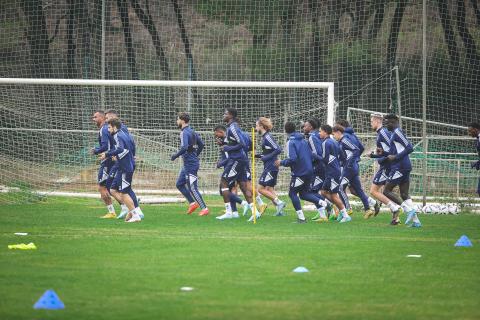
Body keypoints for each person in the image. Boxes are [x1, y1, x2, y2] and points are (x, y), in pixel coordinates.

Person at [274, 122, 328, 223]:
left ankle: (302, 218)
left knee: (292, 193)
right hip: (309, 171)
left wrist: (281, 162)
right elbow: (311, 154)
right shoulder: (303, 140)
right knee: (304, 194)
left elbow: (293, 159)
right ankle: (323, 204)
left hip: (300, 172)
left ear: (285, 130)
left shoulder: (291, 142)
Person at [216, 108, 257, 221]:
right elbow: (236, 143)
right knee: (243, 186)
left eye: (225, 113)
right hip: (240, 159)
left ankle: (229, 212)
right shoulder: (232, 127)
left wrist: (228, 147)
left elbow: (242, 144)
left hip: (237, 160)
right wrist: (224, 143)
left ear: (231, 116)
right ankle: (255, 212)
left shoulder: (233, 128)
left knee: (224, 182)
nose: (223, 115)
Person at [383, 114, 421, 227]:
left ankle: (408, 210)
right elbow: (395, 152)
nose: (387, 125)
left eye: (388, 122)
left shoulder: (398, 132)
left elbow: (410, 147)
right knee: (404, 194)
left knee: (386, 191)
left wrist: (395, 158)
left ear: (394, 122)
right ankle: (416, 222)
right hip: (404, 166)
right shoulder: (394, 133)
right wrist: (379, 154)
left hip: (400, 166)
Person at [104, 109, 143, 220]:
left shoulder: (118, 136)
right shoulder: (124, 134)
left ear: (114, 126)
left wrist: (107, 153)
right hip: (125, 166)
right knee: (119, 190)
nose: (108, 129)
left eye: (109, 127)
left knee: (124, 193)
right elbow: (128, 148)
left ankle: (135, 214)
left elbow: (121, 149)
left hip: (125, 167)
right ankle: (131, 213)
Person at [336, 119, 378, 215]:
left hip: (348, 166)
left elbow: (351, 150)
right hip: (355, 165)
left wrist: (349, 159)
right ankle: (369, 206)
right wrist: (356, 158)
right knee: (355, 190)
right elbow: (361, 148)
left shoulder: (344, 137)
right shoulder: (353, 135)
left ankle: (346, 209)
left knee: (340, 188)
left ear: (341, 127)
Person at [171, 112, 209, 216]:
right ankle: (192, 203)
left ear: (182, 121)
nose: (177, 121)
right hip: (188, 163)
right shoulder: (192, 131)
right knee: (179, 184)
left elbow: (184, 147)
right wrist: (195, 155)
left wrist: (175, 156)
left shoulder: (184, 132)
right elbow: (201, 145)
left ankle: (204, 208)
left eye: (178, 119)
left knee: (192, 187)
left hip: (190, 164)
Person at [367, 113, 401, 219]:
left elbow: (391, 148)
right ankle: (396, 217)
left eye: (372, 121)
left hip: (387, 166)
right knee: (386, 191)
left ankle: (395, 208)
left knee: (374, 191)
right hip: (387, 165)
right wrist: (374, 155)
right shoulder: (380, 133)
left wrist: (383, 158)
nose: (371, 124)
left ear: (377, 121)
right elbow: (384, 150)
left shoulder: (383, 133)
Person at [319, 124, 351, 223]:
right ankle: (340, 209)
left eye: (320, 131)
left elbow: (324, 159)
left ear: (325, 132)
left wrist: (314, 156)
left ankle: (345, 214)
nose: (319, 133)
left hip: (332, 172)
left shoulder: (325, 143)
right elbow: (343, 157)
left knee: (333, 195)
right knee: (324, 192)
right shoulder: (335, 142)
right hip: (334, 171)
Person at [214, 125, 248, 217]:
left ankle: (243, 203)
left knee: (224, 189)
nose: (216, 136)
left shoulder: (227, 141)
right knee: (228, 189)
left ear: (220, 132)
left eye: (216, 134)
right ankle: (235, 212)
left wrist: (220, 164)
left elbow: (229, 157)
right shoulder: (225, 141)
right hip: (231, 166)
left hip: (232, 166)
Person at [302, 119, 333, 221]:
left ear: (311, 127)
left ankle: (327, 207)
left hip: (319, 168)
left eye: (305, 126)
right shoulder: (317, 136)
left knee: (311, 191)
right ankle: (322, 214)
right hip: (320, 167)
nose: (303, 128)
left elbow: (317, 153)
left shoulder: (313, 137)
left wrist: (309, 158)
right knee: (313, 191)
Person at [255, 117, 286, 216]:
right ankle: (280, 211)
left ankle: (279, 202)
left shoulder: (268, 137)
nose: (256, 128)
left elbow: (278, 149)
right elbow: (269, 151)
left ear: (261, 126)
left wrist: (266, 157)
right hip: (269, 166)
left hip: (271, 166)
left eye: (256, 126)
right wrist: (259, 156)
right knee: (270, 189)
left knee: (260, 189)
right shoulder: (264, 137)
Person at [90, 110, 116, 218]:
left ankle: (112, 212)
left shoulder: (103, 129)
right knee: (110, 187)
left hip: (107, 160)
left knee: (102, 187)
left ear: (102, 118)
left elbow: (106, 147)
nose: (93, 119)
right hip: (111, 159)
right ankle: (126, 206)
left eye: (95, 117)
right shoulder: (107, 129)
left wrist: (95, 151)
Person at [467, 122, 480, 197]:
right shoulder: (477, 139)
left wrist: (478, 162)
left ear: (476, 129)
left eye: (470, 131)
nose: (469, 133)